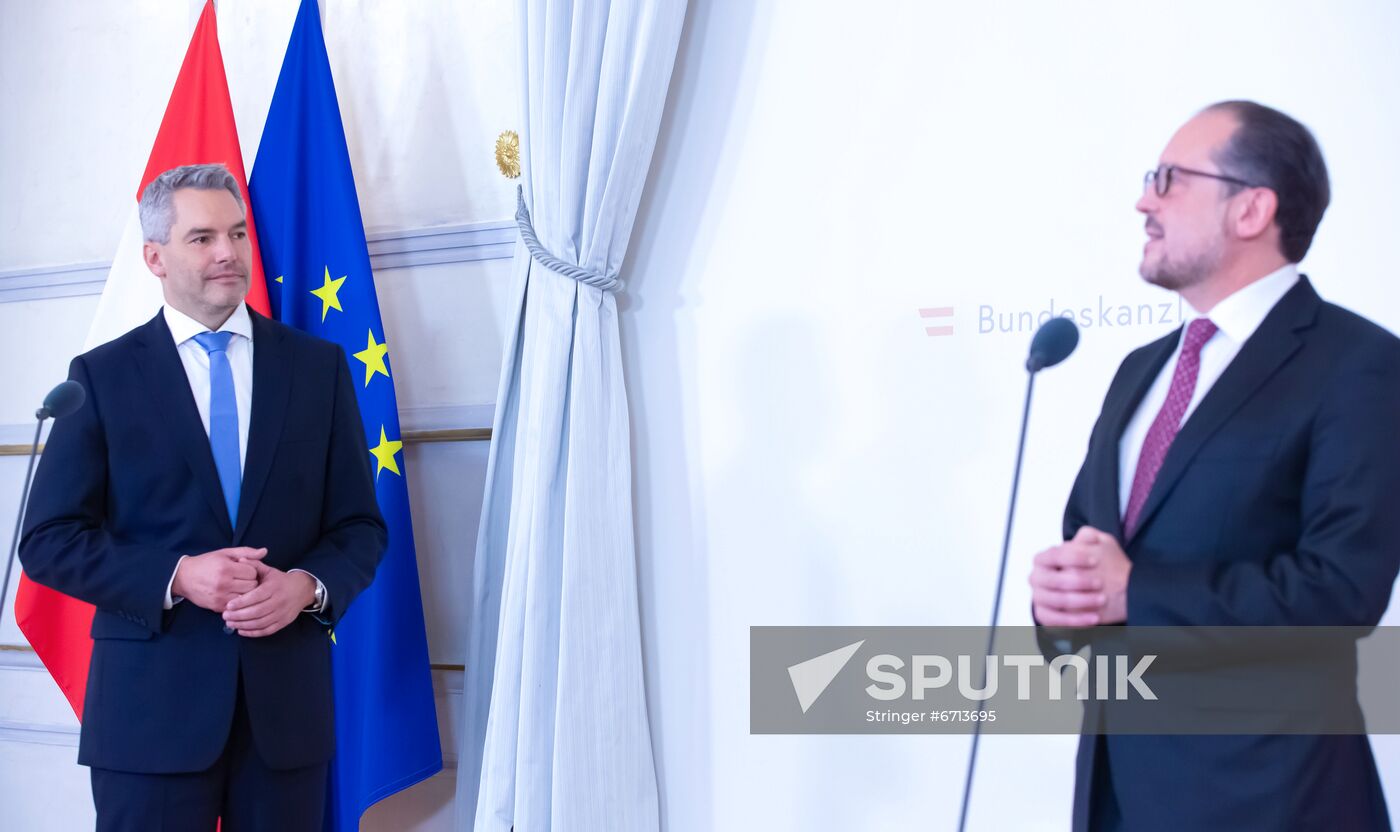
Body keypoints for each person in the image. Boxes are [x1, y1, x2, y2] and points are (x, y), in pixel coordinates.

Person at [1028, 101, 1400, 831]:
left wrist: (1138, 592)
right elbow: (1095, 556)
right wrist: (1062, 605)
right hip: (1118, 795)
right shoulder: (1140, 370)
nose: (1144, 200)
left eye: (1170, 180)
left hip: (1269, 801)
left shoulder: (1358, 365)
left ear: (1253, 209)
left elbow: (1339, 593)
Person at [19, 163, 387, 831]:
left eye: (238, 233)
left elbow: (361, 525)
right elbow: (49, 540)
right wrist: (178, 575)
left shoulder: (316, 368)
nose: (227, 253)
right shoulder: (100, 379)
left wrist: (306, 585)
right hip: (149, 719)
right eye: (203, 238)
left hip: (286, 717)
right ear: (154, 258)